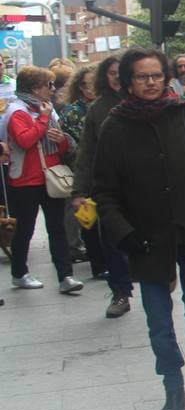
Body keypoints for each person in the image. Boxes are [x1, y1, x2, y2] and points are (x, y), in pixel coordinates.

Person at [91, 48, 185, 410]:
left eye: (156, 75)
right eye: (141, 77)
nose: (151, 82)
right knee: (158, 321)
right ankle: (172, 383)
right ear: (128, 82)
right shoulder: (115, 125)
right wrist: (124, 232)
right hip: (147, 240)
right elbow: (103, 190)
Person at [7, 66, 80, 295]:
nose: (52, 89)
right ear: (35, 88)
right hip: (26, 181)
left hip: (51, 177)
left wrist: (61, 140)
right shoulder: (17, 112)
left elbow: (61, 144)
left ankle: (65, 276)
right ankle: (19, 273)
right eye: (48, 85)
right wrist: (43, 120)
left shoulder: (48, 110)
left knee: (57, 228)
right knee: (25, 229)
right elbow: (25, 141)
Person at [72, 56, 135, 317]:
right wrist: (79, 191)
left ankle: (160, 277)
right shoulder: (98, 109)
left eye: (121, 73)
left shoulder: (149, 103)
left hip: (149, 186)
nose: (117, 78)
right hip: (109, 188)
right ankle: (120, 292)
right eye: (112, 73)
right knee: (112, 242)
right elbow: (86, 153)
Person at [60, 65, 98, 269]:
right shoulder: (72, 111)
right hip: (81, 168)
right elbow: (79, 144)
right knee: (83, 212)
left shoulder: (109, 106)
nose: (90, 88)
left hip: (106, 170)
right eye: (86, 84)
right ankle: (78, 248)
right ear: (79, 87)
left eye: (94, 83)